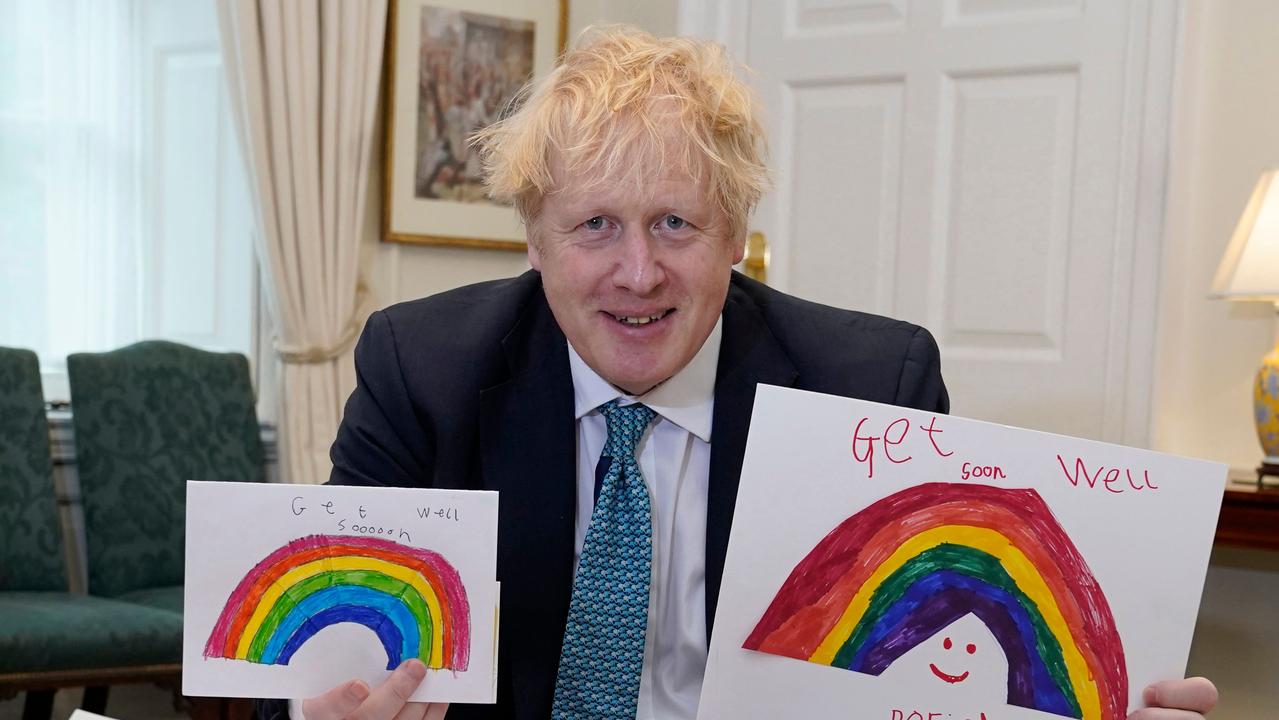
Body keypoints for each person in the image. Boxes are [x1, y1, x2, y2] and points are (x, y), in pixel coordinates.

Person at [260, 26, 1217, 720]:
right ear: (535, 241)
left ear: (738, 238)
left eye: (676, 223)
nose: (639, 272)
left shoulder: (869, 387)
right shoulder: (422, 366)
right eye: (595, 225)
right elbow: (307, 669)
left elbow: (944, 660)